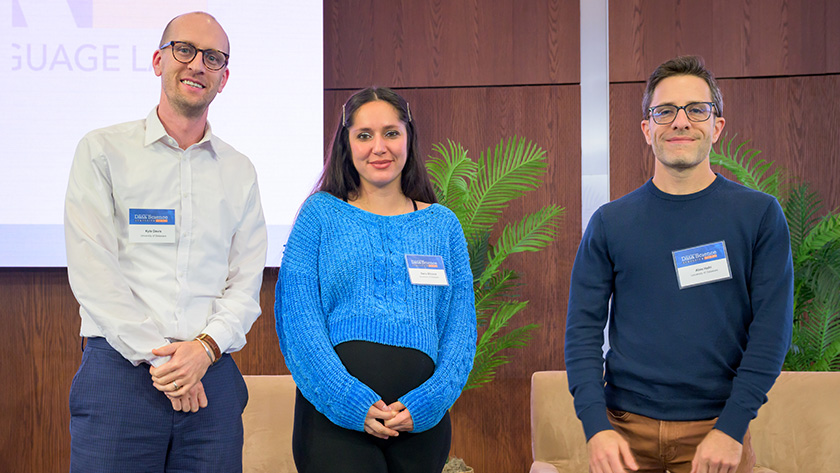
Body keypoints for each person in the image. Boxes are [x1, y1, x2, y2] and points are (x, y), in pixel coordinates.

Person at [564, 55, 793, 473]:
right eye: (664, 111)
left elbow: (772, 332)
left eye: (697, 110)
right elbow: (581, 332)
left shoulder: (759, 215)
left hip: (716, 433)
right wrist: (596, 427)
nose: (680, 122)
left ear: (716, 127)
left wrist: (731, 428)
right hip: (623, 431)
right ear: (647, 129)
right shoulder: (611, 222)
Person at [64, 12, 266, 473]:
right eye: (184, 50)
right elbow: (93, 273)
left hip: (211, 381)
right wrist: (169, 364)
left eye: (212, 57)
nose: (197, 64)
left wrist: (204, 350)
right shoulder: (102, 151)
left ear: (224, 77)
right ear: (158, 60)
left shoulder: (240, 171)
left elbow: (245, 281)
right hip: (120, 375)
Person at [275, 86, 476, 472]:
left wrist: (428, 402)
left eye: (391, 133)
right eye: (364, 135)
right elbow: (299, 320)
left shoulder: (442, 225)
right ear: (346, 144)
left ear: (409, 138)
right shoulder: (320, 215)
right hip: (335, 422)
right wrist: (347, 399)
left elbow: (460, 329)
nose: (378, 147)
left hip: (419, 426)